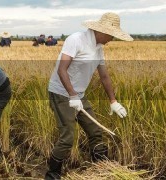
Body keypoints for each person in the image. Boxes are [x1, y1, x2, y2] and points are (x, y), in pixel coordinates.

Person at [46, 12, 133, 179]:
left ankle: (100, 170)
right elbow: (61, 69)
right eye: (112, 35)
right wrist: (72, 95)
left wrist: (113, 101)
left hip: (79, 94)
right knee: (67, 138)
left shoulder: (98, 48)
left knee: (95, 132)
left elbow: (104, 76)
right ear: (102, 32)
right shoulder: (76, 40)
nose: (112, 39)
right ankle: (52, 174)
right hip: (61, 93)